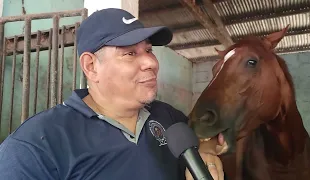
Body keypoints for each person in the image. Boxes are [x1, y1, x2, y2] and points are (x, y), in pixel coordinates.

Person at [0, 8, 226, 180]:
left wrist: (205, 151)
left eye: (148, 50)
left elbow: (207, 136)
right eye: (130, 53)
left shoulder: (169, 118)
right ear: (91, 66)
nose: (151, 62)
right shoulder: (35, 146)